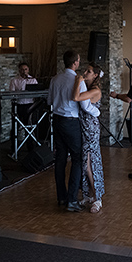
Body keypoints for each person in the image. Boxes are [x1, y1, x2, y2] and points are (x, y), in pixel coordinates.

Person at [48, 50, 94, 212]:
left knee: (60, 159)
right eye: (78, 60)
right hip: (71, 122)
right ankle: (72, 199)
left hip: (57, 120)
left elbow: (50, 101)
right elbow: (84, 105)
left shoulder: (55, 79)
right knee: (78, 158)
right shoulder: (78, 80)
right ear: (75, 63)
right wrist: (96, 112)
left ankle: (61, 196)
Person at [72, 62, 105, 213]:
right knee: (84, 162)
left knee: (89, 164)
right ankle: (89, 195)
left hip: (91, 129)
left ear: (95, 75)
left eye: (89, 71)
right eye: (85, 70)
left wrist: (78, 81)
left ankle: (97, 198)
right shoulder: (88, 88)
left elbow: (76, 97)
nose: (85, 73)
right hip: (83, 127)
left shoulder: (95, 90)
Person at [9, 62, 38, 153]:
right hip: (18, 105)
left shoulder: (33, 80)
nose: (24, 71)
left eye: (25, 69)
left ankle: (30, 147)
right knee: (15, 126)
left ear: (28, 70)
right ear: (19, 70)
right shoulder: (15, 80)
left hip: (30, 105)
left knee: (29, 126)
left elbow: (36, 92)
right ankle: (14, 148)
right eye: (22, 69)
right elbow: (11, 93)